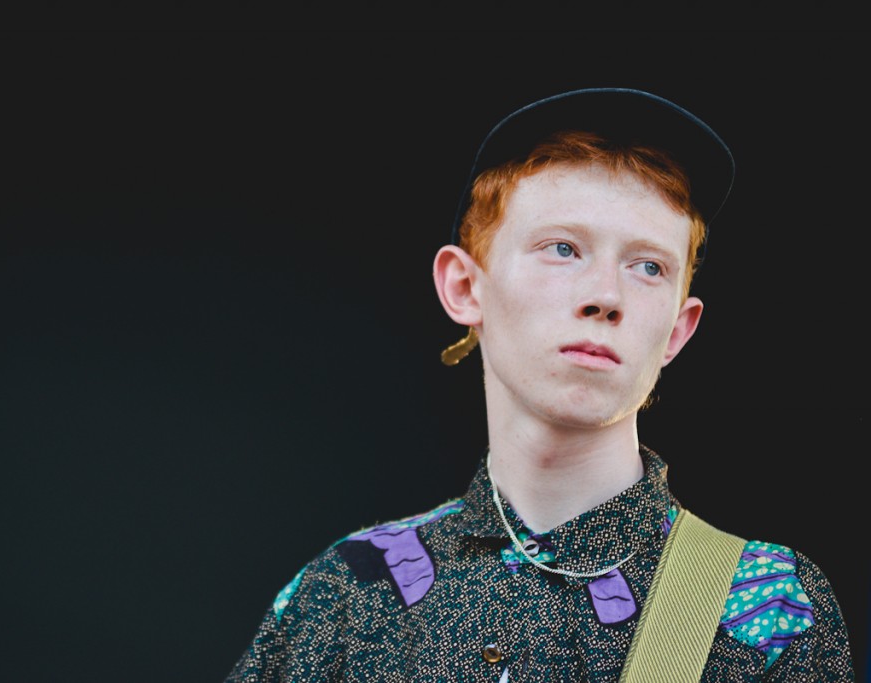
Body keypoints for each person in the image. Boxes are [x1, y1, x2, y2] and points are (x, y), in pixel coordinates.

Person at [223, 87, 855, 681]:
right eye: (563, 248)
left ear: (677, 331)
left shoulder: (769, 604)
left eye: (648, 266)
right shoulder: (342, 597)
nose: (606, 296)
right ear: (464, 287)